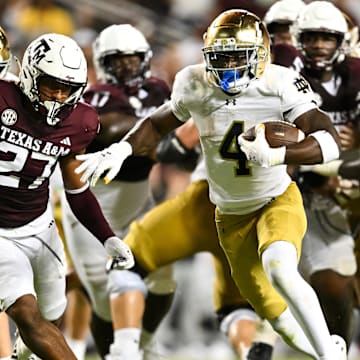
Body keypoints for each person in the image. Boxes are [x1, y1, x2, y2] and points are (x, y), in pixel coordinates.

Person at [75, 8, 347, 360]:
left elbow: (329, 140)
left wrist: (280, 156)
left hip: (274, 200)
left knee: (280, 267)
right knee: (276, 317)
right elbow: (157, 125)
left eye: (238, 56)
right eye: (221, 57)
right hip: (228, 214)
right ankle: (329, 350)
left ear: (260, 56)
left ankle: (328, 354)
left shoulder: (278, 83)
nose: (229, 66)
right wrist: (121, 149)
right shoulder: (194, 81)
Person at [0, 32, 133, 360]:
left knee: (51, 315)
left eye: (67, 88)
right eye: (51, 85)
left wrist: (107, 238)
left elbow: (76, 188)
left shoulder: (81, 121)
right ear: (30, 76)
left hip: (39, 225)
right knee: (26, 313)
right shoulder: (3, 96)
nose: (59, 96)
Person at [59, 24, 172, 360]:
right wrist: (147, 130)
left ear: (145, 59)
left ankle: (143, 340)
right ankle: (116, 350)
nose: (125, 65)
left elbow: (176, 124)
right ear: (105, 63)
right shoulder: (93, 96)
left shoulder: (158, 89)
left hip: (139, 196)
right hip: (94, 197)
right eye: (117, 59)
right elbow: (107, 128)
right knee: (99, 292)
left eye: (132, 58)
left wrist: (145, 131)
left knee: (163, 276)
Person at [271, 1, 360, 350]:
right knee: (330, 283)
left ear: (342, 41)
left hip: (347, 185)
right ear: (297, 39)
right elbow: (280, 152)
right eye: (312, 37)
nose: (320, 45)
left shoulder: (355, 72)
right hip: (309, 193)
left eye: (328, 37)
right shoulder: (282, 76)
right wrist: (319, 173)